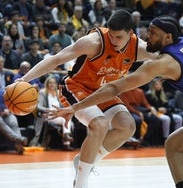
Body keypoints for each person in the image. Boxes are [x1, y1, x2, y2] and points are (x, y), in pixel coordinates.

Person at [47, 16, 183, 188]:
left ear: (167, 37)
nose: (147, 36)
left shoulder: (162, 63)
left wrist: (75, 107)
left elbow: (113, 88)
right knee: (173, 145)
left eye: (153, 33)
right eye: (149, 31)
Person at [16, 10, 157, 188]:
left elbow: (166, 58)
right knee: (100, 124)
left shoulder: (139, 48)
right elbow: (56, 59)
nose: (113, 41)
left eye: (118, 37)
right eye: (111, 35)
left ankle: (84, 161)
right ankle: (80, 184)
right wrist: (23, 79)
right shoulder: (93, 42)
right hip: (76, 88)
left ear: (130, 33)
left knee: (128, 127)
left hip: (103, 92)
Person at [0, 75, 27, 154]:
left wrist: (8, 110)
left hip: (5, 113)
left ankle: (19, 146)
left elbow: (9, 104)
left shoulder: (2, 93)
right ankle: (19, 139)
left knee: (13, 121)